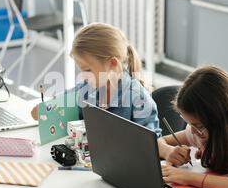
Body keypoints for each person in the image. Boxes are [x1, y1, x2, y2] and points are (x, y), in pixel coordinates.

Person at [31, 23, 162, 136]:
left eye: (88, 70)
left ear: (113, 64)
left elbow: (152, 144)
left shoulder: (139, 99)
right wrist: (44, 111)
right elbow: (59, 103)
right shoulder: (88, 89)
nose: (83, 76)